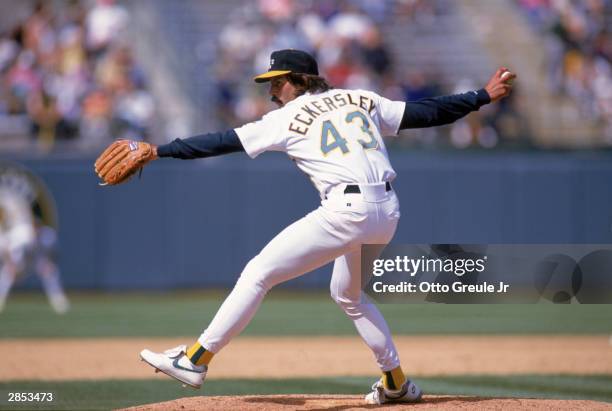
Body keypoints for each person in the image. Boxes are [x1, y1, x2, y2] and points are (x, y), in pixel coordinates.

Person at [132, 49, 514, 404]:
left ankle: (195, 359)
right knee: (348, 295)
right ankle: (395, 382)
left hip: (347, 210)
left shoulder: (284, 118)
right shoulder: (359, 98)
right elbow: (428, 112)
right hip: (386, 211)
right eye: (269, 84)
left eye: (278, 82)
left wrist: (159, 150)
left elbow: (221, 141)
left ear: (301, 80)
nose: (272, 91)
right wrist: (481, 96)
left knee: (258, 274)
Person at [0, 188, 69, 314]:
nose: (35, 227)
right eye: (33, 225)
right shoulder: (23, 235)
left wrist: (48, 264)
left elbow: (53, 254)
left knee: (51, 272)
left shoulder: (48, 235)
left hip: (38, 260)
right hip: (22, 260)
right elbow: (11, 250)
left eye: (37, 225)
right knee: (7, 272)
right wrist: (13, 264)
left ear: (40, 225)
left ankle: (58, 302)